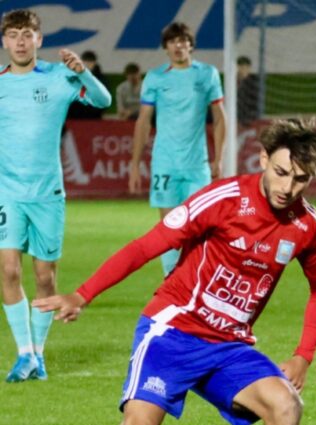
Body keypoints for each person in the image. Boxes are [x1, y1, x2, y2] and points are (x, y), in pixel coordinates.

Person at [34, 118, 316, 425]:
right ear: (263, 160)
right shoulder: (225, 198)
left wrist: (304, 354)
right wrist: (83, 294)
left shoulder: (306, 226)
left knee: (286, 407)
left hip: (230, 345)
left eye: (301, 179)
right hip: (172, 331)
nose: (288, 187)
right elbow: (148, 245)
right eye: (282, 172)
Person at [0, 9, 111, 383]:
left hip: (47, 193)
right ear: (4, 41)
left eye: (26, 34)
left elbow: (103, 101)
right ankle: (24, 353)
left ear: (38, 40)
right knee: (8, 269)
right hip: (7, 191)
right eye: (12, 34)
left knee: (45, 278)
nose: (19, 41)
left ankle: (39, 354)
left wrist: (82, 72)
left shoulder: (59, 76)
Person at [129, 22, 226, 277]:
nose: (178, 45)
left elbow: (219, 118)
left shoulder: (207, 74)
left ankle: (197, 279)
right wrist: (134, 162)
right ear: (166, 47)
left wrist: (219, 158)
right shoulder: (156, 77)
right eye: (173, 41)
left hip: (197, 166)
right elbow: (143, 121)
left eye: (183, 40)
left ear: (191, 45)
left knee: (201, 226)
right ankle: (171, 281)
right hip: (165, 165)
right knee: (170, 227)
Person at [65, 50, 108, 120]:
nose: (88, 64)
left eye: (90, 62)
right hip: (75, 114)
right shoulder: (74, 77)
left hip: (94, 113)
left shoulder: (101, 79)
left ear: (94, 63)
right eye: (85, 61)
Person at [237, 55, 261, 126]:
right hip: (235, 115)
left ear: (249, 68)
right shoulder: (233, 81)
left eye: (245, 67)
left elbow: (254, 102)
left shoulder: (253, 82)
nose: (243, 70)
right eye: (241, 67)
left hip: (248, 118)